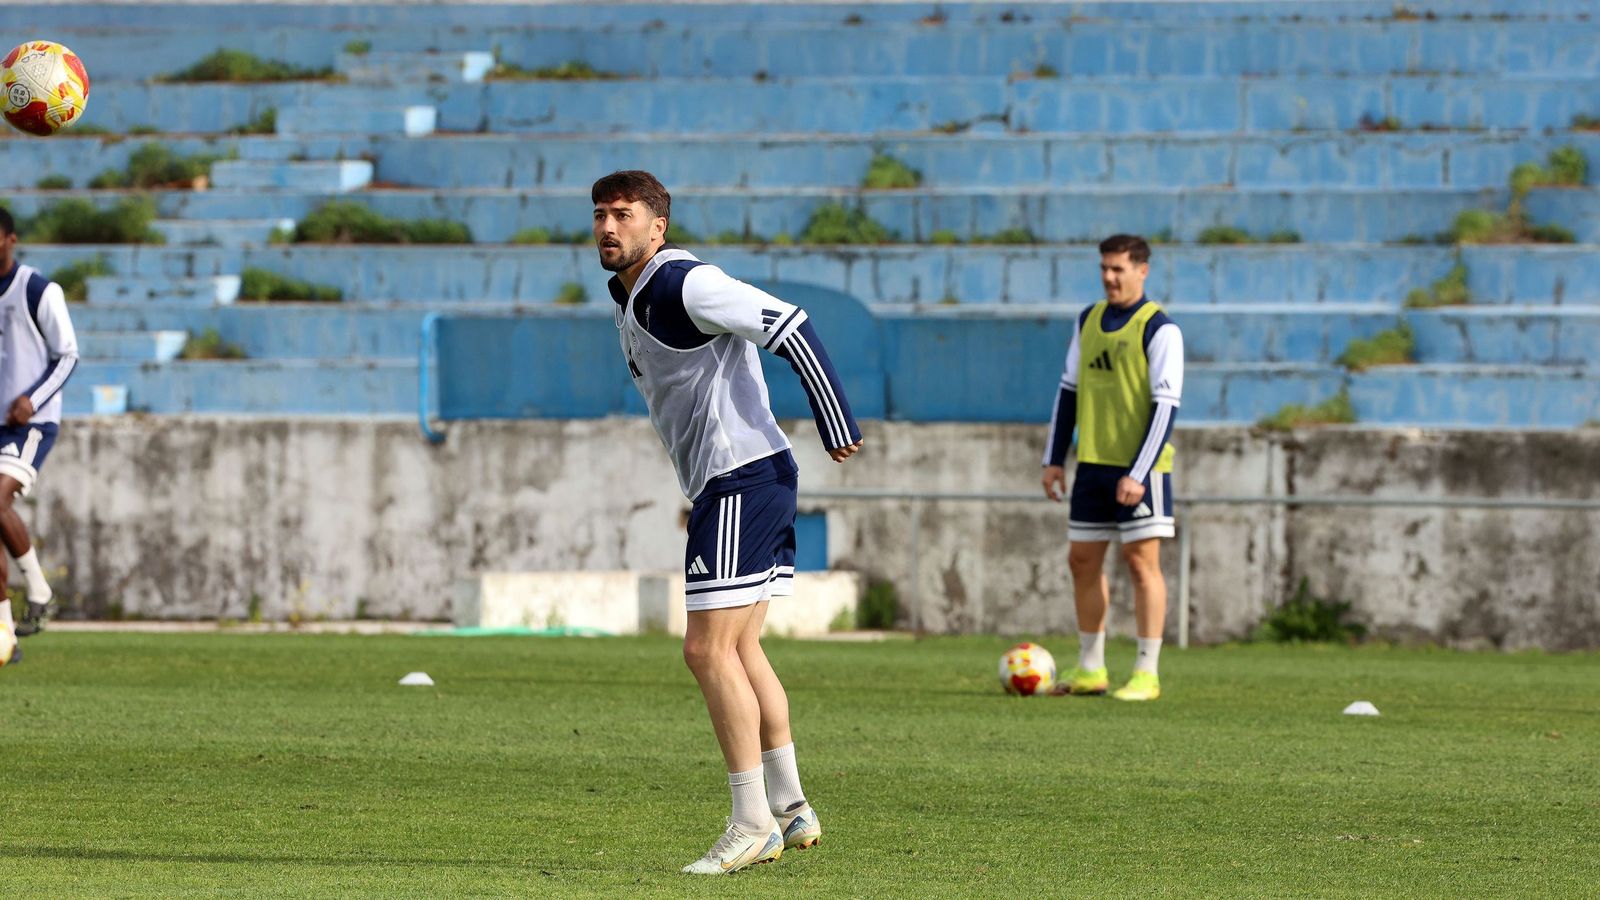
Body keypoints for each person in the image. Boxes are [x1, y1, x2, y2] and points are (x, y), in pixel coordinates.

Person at [591, 170, 863, 874]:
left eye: (624, 215)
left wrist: (836, 420)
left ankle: (751, 821)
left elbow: (792, 326)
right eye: (599, 215)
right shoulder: (629, 295)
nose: (608, 227)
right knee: (739, 651)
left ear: (658, 226)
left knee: (706, 652)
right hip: (740, 480)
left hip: (745, 479)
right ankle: (793, 806)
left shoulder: (684, 283)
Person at [1041, 234, 1183, 702]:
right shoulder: (1089, 320)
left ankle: (1147, 672)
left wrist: (1139, 473)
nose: (1109, 277)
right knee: (1081, 561)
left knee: (1142, 563)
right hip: (1094, 466)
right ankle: (1090, 668)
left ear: (1143, 270)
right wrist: (1054, 459)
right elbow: (1068, 392)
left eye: (1118, 268)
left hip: (1142, 469)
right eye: (1104, 268)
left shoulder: (1159, 328)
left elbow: (1166, 407)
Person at [0, 207, 79, 659]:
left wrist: (31, 397)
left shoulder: (36, 289)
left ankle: (40, 591)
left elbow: (66, 355)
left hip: (28, 424)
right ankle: (6, 635)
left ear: (11, 239)